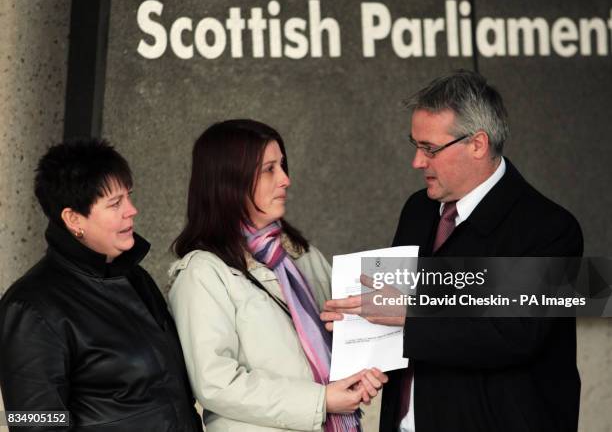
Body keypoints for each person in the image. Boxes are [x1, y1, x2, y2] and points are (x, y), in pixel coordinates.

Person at [322, 70, 583, 432]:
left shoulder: (552, 228)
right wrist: (355, 323)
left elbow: (515, 335)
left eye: (429, 148)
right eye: (415, 145)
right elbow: (397, 312)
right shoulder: (418, 209)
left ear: (477, 144)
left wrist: (408, 310)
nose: (417, 161)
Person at [168, 119, 387, 432]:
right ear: (230, 181)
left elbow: (339, 339)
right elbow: (216, 383)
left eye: (282, 166)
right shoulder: (202, 273)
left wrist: (361, 372)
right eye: (269, 169)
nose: (285, 179)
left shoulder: (302, 255)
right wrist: (321, 401)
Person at [0, 140, 203, 432]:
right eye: (115, 203)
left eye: (128, 197)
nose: (131, 210)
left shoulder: (135, 278)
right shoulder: (32, 306)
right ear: (73, 219)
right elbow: (33, 422)